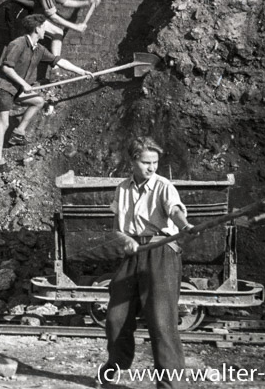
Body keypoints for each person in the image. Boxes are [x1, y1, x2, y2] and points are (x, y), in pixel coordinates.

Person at [98, 137, 194, 389]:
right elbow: (118, 229)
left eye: (155, 162)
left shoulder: (164, 186)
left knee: (162, 321)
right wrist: (125, 240)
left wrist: (184, 225)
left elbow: (174, 210)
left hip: (161, 251)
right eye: (145, 162)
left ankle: (171, 385)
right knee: (116, 318)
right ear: (132, 161)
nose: (152, 168)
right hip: (133, 253)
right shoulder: (122, 188)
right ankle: (113, 369)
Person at [0, 13, 92, 172]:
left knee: (38, 101)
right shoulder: (18, 43)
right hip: (2, 87)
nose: (46, 30)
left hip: (16, 88)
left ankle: (19, 132)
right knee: (3, 123)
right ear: (37, 28)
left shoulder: (39, 49)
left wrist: (81, 71)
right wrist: (23, 84)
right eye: (45, 27)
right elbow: (6, 67)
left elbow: (58, 60)